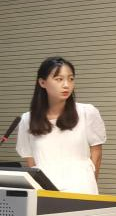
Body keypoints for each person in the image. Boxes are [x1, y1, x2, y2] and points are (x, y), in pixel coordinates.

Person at [16, 57, 106, 194]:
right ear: (42, 82)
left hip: (82, 187)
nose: (66, 85)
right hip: (45, 189)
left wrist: (91, 182)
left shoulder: (87, 112)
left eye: (71, 79)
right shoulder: (27, 119)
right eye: (59, 79)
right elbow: (31, 160)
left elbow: (96, 152)